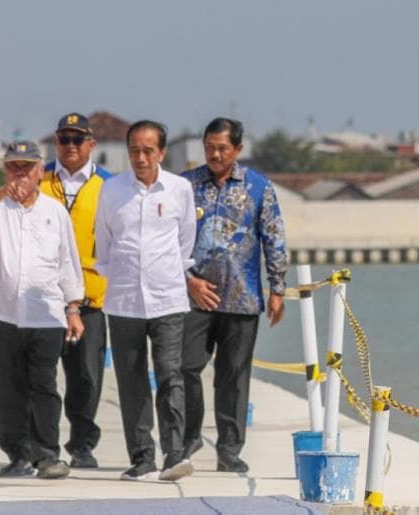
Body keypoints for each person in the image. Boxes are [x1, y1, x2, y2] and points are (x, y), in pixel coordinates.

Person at [0, 140, 85, 480]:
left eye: (27, 167)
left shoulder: (55, 212)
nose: (19, 173)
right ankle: (17, 454)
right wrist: (4, 190)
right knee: (5, 388)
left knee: (43, 385)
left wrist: (72, 307)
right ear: (4, 171)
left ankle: (47, 454)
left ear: (41, 172)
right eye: (13, 166)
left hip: (44, 313)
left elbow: (67, 262)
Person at [180, 117, 287, 473]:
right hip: (194, 296)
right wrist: (188, 280)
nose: (214, 153)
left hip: (242, 298)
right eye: (209, 146)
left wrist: (278, 290)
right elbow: (167, 240)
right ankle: (189, 435)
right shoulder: (186, 186)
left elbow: (274, 237)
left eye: (222, 147)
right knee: (186, 366)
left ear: (238, 149)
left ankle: (229, 449)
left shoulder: (259, 187)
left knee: (233, 376)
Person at [95, 120, 196, 482]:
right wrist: (121, 275)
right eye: (134, 150)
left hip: (167, 298)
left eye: (147, 150)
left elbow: (186, 241)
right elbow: (103, 243)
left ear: (162, 152)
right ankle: (141, 458)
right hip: (123, 301)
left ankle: (174, 454)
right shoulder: (111, 190)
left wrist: (164, 272)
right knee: (131, 380)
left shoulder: (180, 190)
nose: (140, 157)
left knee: (170, 375)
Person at [40, 113, 111, 468]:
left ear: (91, 145)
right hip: (45, 298)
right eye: (63, 139)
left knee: (86, 376)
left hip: (89, 297)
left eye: (77, 139)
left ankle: (82, 443)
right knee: (42, 375)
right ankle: (43, 444)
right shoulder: (39, 181)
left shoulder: (109, 186)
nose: (70, 146)